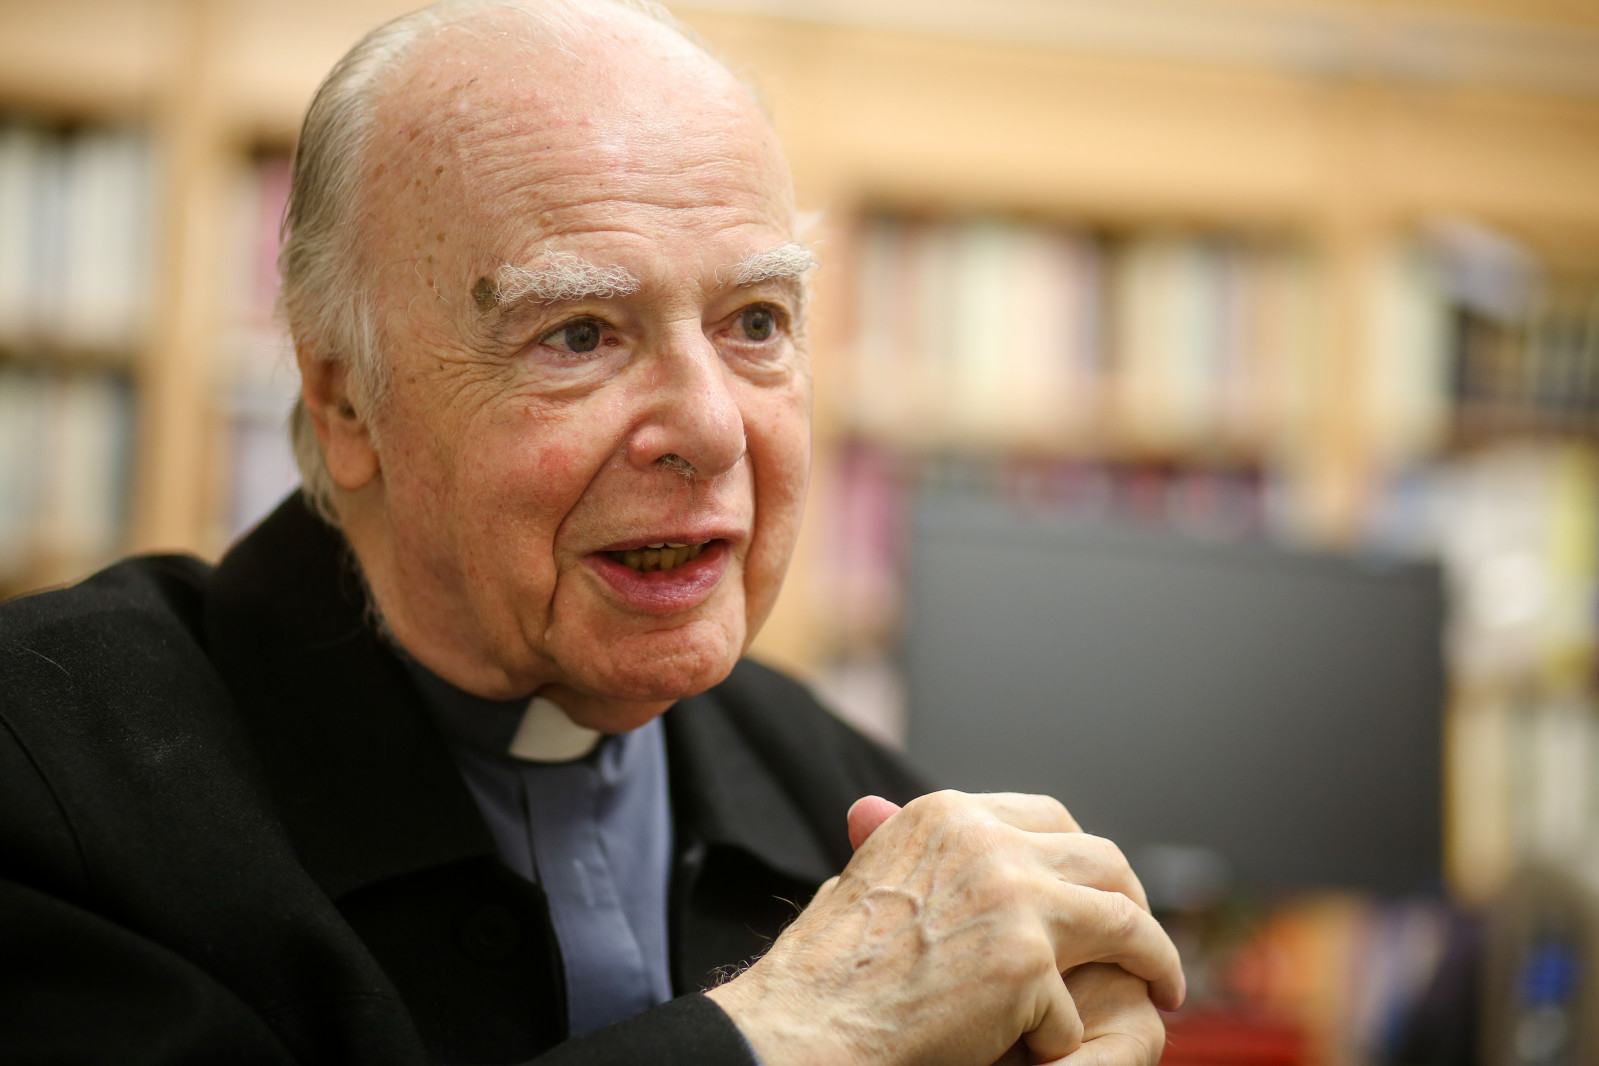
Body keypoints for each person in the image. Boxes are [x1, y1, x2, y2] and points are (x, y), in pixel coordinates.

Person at [0, 1, 1182, 1063]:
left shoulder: (857, 797)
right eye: (579, 334)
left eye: (756, 321)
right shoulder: (47, 779)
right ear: (346, 399)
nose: (711, 429)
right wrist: (801, 1030)